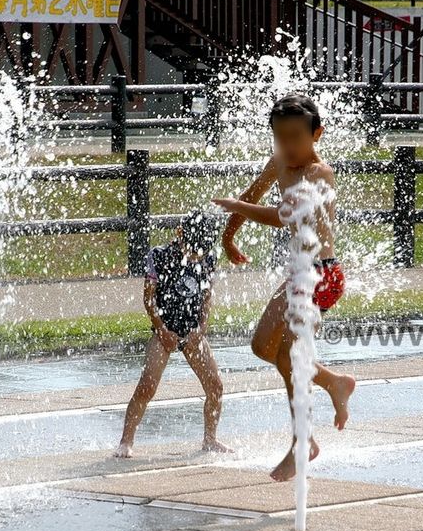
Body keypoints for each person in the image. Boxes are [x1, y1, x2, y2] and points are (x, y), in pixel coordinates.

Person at [212, 94, 355, 482]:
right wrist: (229, 238)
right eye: (280, 138)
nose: (288, 146)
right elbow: (252, 195)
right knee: (266, 349)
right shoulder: (278, 163)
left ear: (317, 135)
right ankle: (331, 383)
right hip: (301, 274)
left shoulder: (319, 174)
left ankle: (302, 442)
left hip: (322, 275)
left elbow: (282, 216)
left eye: (296, 137)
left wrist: (237, 210)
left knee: (286, 354)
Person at [115, 212, 230, 458]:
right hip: (164, 328)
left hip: (192, 331)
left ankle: (210, 439)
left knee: (215, 386)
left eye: (199, 251)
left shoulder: (208, 257)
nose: (194, 256)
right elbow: (149, 298)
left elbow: (206, 297)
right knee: (147, 386)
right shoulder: (159, 256)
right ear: (180, 234)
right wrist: (161, 328)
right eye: (192, 250)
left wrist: (201, 328)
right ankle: (126, 441)